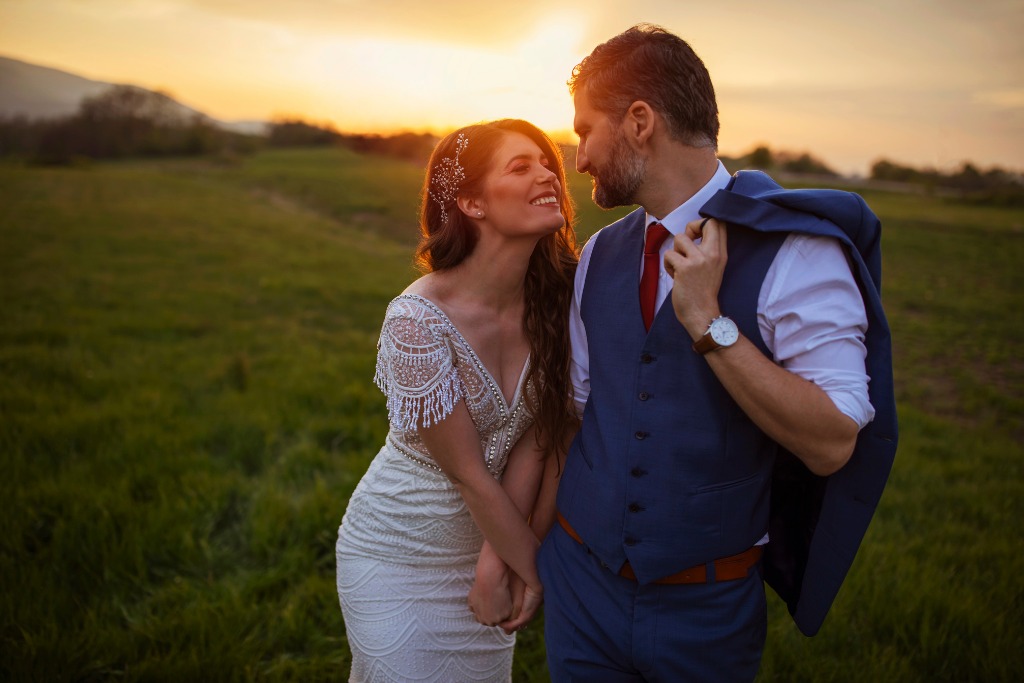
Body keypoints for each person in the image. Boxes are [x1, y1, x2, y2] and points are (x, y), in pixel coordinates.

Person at [534, 24, 897, 681]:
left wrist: (709, 323)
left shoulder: (799, 252)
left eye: (586, 130)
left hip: (705, 615)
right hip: (579, 588)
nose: (578, 157)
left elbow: (833, 441)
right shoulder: (598, 257)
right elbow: (576, 412)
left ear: (640, 121)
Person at [335, 119, 578, 683]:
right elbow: (470, 472)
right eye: (521, 167)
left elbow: (542, 440)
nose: (548, 173)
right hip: (398, 551)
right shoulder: (417, 320)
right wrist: (535, 573)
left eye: (548, 164)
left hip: (490, 552)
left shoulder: (559, 299)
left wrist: (502, 562)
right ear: (471, 202)